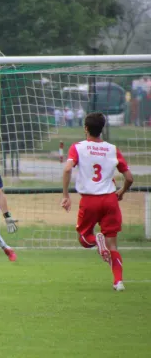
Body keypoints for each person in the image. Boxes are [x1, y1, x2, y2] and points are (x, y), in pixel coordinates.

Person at [60, 112, 133, 291]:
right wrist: (122, 191)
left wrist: (66, 195)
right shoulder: (112, 149)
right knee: (113, 245)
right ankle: (118, 282)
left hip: (90, 200)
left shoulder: (78, 147)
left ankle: (97, 242)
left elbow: (68, 168)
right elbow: (129, 178)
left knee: (84, 238)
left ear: (86, 128)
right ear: (102, 129)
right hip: (110, 200)